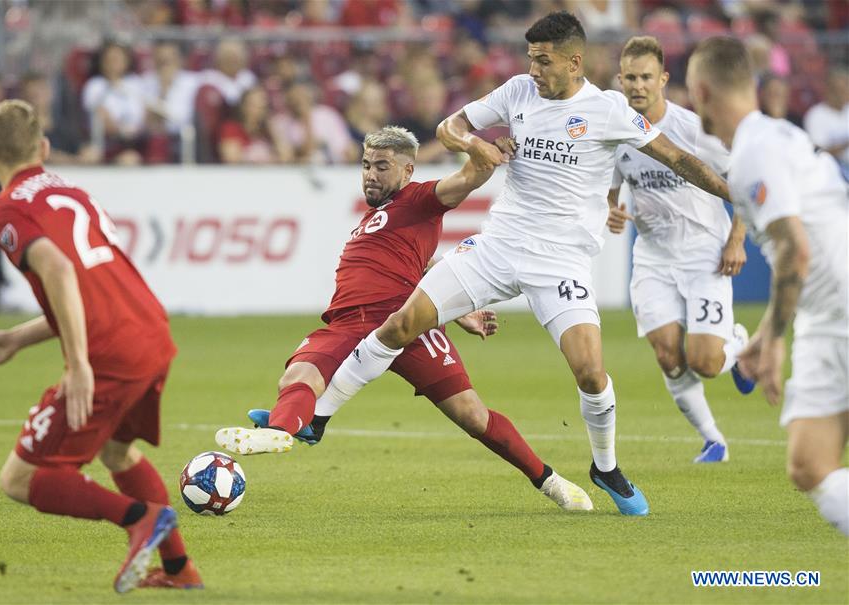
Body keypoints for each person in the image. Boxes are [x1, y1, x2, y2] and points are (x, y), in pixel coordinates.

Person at [283, 12, 736, 517]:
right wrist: (473, 143)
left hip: (562, 261)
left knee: (589, 372)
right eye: (531, 59)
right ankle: (320, 417)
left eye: (544, 61)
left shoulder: (608, 110)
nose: (535, 69)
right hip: (499, 245)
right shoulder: (517, 91)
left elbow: (677, 158)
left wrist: (735, 192)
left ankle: (605, 466)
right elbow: (448, 126)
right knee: (402, 323)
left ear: (574, 61)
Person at [215, 126, 594, 512]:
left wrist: (483, 152)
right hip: (348, 321)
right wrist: (458, 308)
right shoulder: (379, 217)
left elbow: (467, 179)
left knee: (473, 416)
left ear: (407, 171)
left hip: (404, 322)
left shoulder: (419, 198)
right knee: (297, 377)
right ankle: (281, 431)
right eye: (366, 165)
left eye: (382, 166)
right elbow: (421, 263)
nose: (370, 174)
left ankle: (551, 482)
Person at [0, 100, 202, 589]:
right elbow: (87, 290)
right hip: (150, 330)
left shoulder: (2, 211)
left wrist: (77, 364)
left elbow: (59, 271)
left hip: (110, 351)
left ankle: (139, 519)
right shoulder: (73, 192)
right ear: (44, 148)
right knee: (117, 453)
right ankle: (179, 570)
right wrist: (18, 339)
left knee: (23, 479)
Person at [686, 37, 848, 535]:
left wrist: (776, 342)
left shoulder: (755, 151)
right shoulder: (774, 137)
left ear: (705, 91)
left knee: (811, 465)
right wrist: (764, 334)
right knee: (808, 464)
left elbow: (796, 250)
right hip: (826, 315)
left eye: (693, 94)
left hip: (840, 312)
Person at [606, 36, 750, 463]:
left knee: (704, 361)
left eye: (646, 77)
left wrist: (736, 238)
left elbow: (742, 180)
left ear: (663, 79)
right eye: (630, 77)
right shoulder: (617, 132)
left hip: (706, 253)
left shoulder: (694, 129)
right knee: (669, 355)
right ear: (620, 79)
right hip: (652, 257)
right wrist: (611, 212)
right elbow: (610, 192)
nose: (637, 85)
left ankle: (740, 345)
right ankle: (713, 440)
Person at [218, 87, 292, 164]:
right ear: (243, 106)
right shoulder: (231, 128)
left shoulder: (268, 130)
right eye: (254, 105)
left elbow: (287, 157)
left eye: (263, 106)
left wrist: (274, 131)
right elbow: (231, 159)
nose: (259, 109)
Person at [803, 67, 849, 180]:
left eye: (845, 88)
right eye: (837, 89)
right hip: (831, 172)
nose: (842, 93)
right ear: (828, 89)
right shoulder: (815, 115)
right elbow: (819, 153)